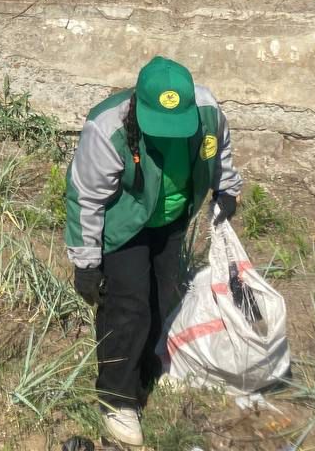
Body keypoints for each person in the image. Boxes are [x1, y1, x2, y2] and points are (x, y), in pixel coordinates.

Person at [64, 55, 243, 448]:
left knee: (164, 295)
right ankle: (116, 398)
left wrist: (227, 187)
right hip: (123, 222)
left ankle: (146, 367)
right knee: (128, 306)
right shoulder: (107, 127)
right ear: (138, 107)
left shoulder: (208, 111)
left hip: (172, 217)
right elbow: (85, 199)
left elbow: (218, 150)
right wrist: (86, 263)